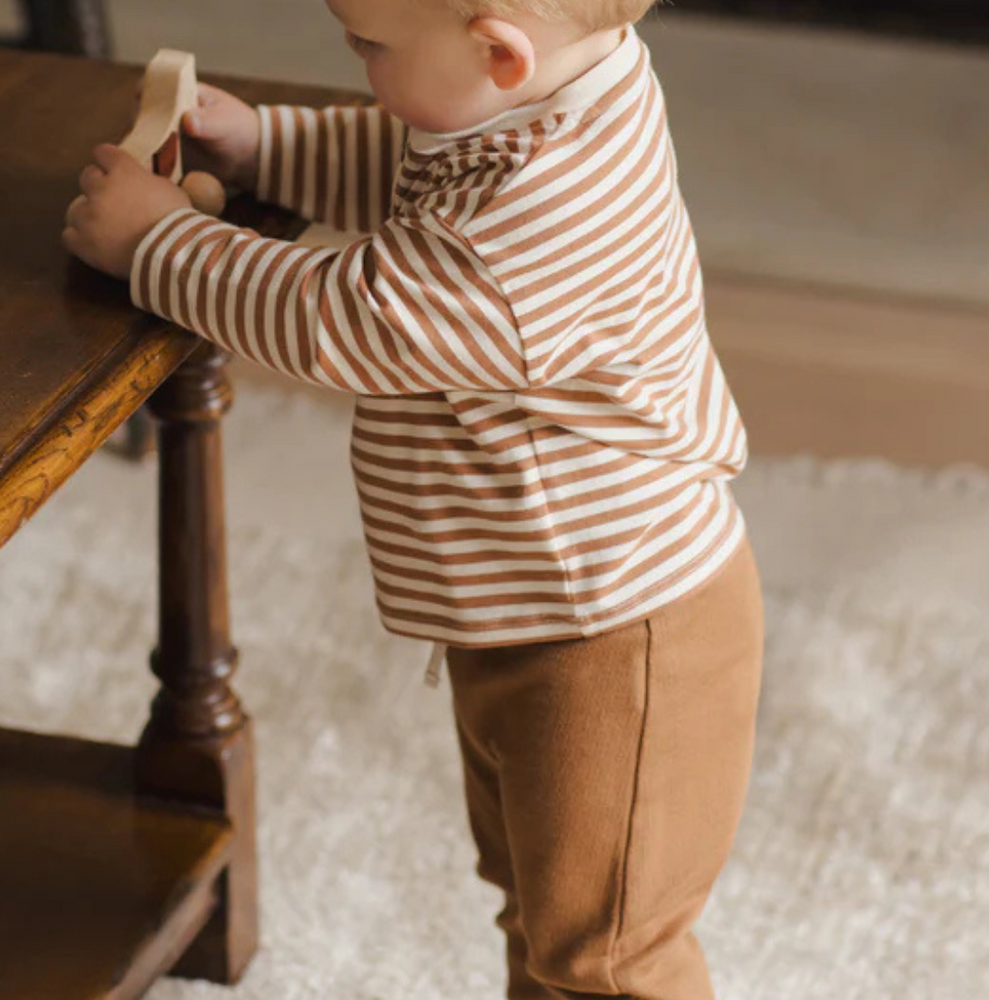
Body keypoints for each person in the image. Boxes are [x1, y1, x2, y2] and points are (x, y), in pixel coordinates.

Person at [63, 0, 766, 996]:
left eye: (368, 48)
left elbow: (338, 318)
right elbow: (408, 154)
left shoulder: (531, 225)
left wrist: (158, 246)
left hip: (611, 638)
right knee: (540, 900)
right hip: (530, 614)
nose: (353, 60)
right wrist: (265, 144)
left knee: (605, 952)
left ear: (499, 51)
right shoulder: (553, 94)